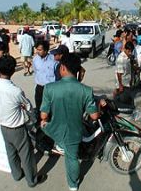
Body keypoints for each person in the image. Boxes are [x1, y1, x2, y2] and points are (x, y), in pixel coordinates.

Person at [40, 53, 99, 191]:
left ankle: (59, 144)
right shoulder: (86, 90)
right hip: (74, 132)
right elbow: (94, 116)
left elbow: (43, 115)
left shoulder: (49, 88)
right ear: (78, 70)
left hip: (55, 130)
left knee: (43, 124)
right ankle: (73, 185)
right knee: (72, 158)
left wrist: (45, 121)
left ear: (63, 68)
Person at [0, 55, 46, 187]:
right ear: (13, 71)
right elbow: (28, 106)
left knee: (11, 153)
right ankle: (32, 180)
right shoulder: (15, 91)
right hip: (17, 128)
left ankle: (17, 174)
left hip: (3, 126)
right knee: (26, 155)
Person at [32, 40, 56, 114]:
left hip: (51, 88)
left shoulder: (54, 60)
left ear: (46, 50)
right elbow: (36, 71)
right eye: (37, 49)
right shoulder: (35, 59)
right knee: (39, 108)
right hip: (40, 88)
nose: (38, 51)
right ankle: (40, 122)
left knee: (51, 108)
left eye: (40, 50)